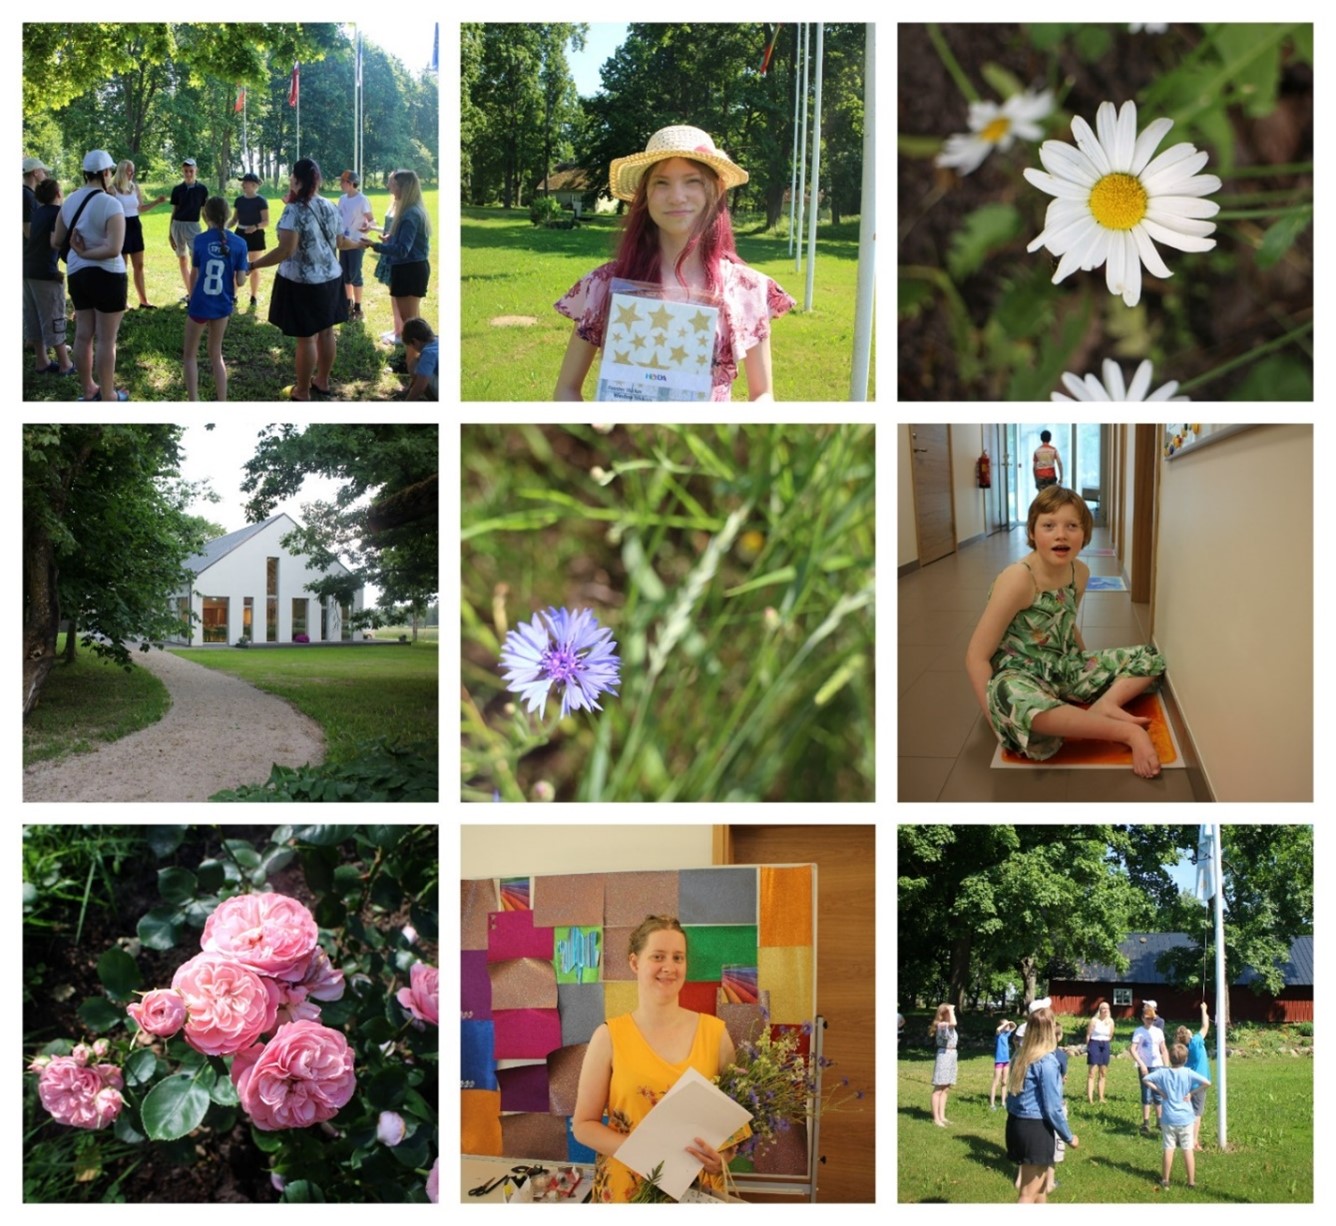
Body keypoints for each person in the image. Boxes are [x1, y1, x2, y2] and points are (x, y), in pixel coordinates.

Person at [554, 125, 794, 401]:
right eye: (661, 182)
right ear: (645, 194)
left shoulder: (747, 289)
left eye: (692, 181)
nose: (677, 196)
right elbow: (567, 390)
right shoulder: (603, 285)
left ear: (714, 190)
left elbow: (763, 394)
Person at [964, 486, 1167, 778]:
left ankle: (1105, 705)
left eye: (1072, 526)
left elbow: (1066, 621)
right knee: (1020, 702)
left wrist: (1086, 665)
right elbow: (975, 657)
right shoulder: (1019, 578)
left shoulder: (1080, 572)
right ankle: (1127, 733)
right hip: (1020, 674)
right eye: (1049, 526)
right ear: (1033, 533)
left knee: (1149, 657)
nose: (1061, 534)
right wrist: (995, 717)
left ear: (1084, 534)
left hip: (1064, 666)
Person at [572, 916, 746, 1202]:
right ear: (634, 963)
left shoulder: (716, 1034)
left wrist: (722, 1158)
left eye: (678, 957)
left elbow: (730, 1128)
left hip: (695, 1191)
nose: (669, 967)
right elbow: (583, 1125)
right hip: (626, 1192)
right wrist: (647, 1155)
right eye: (658, 956)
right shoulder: (608, 1037)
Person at [248, 158, 360, 401]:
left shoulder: (294, 210)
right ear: (317, 181)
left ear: (297, 180)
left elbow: (286, 250)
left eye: (291, 177)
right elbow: (341, 243)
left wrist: (253, 265)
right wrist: (361, 243)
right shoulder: (330, 206)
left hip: (303, 284)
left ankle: (302, 390)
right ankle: (322, 380)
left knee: (306, 338)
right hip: (331, 279)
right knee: (327, 333)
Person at [52, 149, 129, 401]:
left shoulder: (70, 201)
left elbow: (57, 240)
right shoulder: (111, 203)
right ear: (106, 173)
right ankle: (108, 396)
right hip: (108, 275)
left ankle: (88, 390)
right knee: (107, 339)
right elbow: (114, 248)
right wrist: (87, 254)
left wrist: (80, 253)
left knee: (83, 334)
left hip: (77, 275)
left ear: (86, 174)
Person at [1005, 1010, 1078, 1204]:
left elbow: (1010, 1098)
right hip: (1035, 1129)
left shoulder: (1020, 1055)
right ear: (1049, 1030)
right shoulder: (1046, 1061)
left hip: (1017, 1124)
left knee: (1041, 1190)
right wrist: (1069, 1137)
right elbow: (1053, 1107)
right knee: (1028, 1194)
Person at [182, 196, 249, 400]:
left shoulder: (200, 240)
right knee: (216, 353)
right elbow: (241, 281)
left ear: (205, 215)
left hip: (200, 305)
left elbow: (194, 274)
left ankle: (193, 400)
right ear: (228, 215)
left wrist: (192, 299)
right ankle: (222, 400)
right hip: (222, 305)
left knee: (190, 356)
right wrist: (244, 270)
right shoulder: (239, 243)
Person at [361, 167, 430, 344]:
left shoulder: (410, 214)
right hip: (410, 268)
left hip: (409, 270)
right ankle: (421, 358)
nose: (389, 188)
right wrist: (390, 238)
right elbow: (407, 242)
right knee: (414, 322)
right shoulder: (411, 210)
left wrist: (374, 245)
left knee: (410, 325)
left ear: (403, 188)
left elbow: (402, 250)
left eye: (392, 185)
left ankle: (414, 362)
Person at [24, 177, 74, 376]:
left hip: (26, 269)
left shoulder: (38, 213)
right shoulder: (58, 214)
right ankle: (65, 364)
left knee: (34, 316)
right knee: (54, 316)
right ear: (58, 194)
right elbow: (56, 242)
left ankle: (42, 361)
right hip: (45, 273)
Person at [1142, 1043, 1210, 1188]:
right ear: (1185, 1060)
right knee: (1188, 1148)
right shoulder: (1188, 1072)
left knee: (1168, 1148)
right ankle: (1191, 1182)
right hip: (1186, 1119)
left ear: (1170, 1058)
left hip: (1168, 1118)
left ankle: (1165, 1180)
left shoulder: (1163, 1072)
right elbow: (1207, 1083)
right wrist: (1191, 1093)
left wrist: (1159, 1091)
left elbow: (1146, 1079)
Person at [111, 160, 168, 308]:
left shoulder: (135, 187)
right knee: (121, 266)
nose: (132, 173)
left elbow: (141, 208)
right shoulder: (112, 189)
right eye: (129, 171)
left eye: (133, 171)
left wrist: (157, 201)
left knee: (139, 265)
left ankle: (144, 300)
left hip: (135, 226)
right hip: (120, 226)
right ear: (122, 171)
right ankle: (121, 301)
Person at [168, 158, 209, 301]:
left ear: (195, 170)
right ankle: (190, 292)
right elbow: (175, 211)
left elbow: (204, 211)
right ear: (182, 171)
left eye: (191, 171)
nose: (188, 173)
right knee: (182, 258)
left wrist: (211, 227)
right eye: (186, 171)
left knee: (195, 259)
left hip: (193, 226)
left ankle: (196, 292)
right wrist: (170, 233)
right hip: (178, 225)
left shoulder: (202, 189)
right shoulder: (177, 190)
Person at [228, 173, 270, 308]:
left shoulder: (261, 201)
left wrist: (256, 227)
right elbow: (234, 219)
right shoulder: (239, 200)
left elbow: (266, 221)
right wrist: (223, 227)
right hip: (240, 233)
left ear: (254, 185)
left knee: (254, 266)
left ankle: (253, 296)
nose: (243, 185)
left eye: (245, 182)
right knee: (236, 266)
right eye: (242, 182)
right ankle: (233, 296)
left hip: (256, 235)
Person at [336, 170, 373, 318]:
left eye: (342, 182)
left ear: (351, 183)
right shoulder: (342, 198)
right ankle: (347, 303)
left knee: (355, 274)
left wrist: (368, 227)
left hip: (357, 241)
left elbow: (371, 219)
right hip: (343, 242)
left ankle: (358, 308)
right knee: (345, 274)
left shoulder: (362, 199)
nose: (340, 184)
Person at [1131, 1002, 1171, 1134]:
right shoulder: (1139, 1031)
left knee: (1158, 1094)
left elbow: (1163, 1049)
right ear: (1143, 1018)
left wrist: (1166, 1065)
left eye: (1152, 1019)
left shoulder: (1158, 1031)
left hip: (1158, 1065)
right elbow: (1133, 1049)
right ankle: (1146, 1122)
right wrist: (1141, 1064)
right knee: (1146, 1094)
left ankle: (1159, 1121)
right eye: (1148, 1019)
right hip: (1145, 1066)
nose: (1150, 1021)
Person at [1177, 1002, 1212, 1151]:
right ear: (1189, 1035)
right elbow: (1205, 1026)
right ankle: (1193, 1140)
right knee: (1197, 1113)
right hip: (1199, 1084)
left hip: (1186, 1082)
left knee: (1187, 1111)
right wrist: (1204, 1010)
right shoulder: (1196, 1042)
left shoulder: (1183, 1048)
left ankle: (1183, 1136)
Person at [928, 1003, 957, 1126]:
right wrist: (951, 1009)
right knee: (939, 1088)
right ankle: (936, 1119)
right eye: (949, 1012)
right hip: (944, 1056)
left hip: (951, 1055)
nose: (952, 1014)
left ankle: (942, 1116)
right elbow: (954, 1023)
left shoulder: (948, 1026)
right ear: (943, 1013)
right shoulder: (942, 1025)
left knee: (946, 1088)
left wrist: (951, 1011)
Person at [401, 317, 438, 400]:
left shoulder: (428, 353)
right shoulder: (437, 340)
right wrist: (410, 388)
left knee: (413, 365)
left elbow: (420, 387)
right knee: (418, 360)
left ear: (415, 342)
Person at [1085, 1000, 1115, 1103]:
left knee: (1103, 1072)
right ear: (1100, 1010)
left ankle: (1101, 1097)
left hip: (1105, 1044)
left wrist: (1105, 1043)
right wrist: (1088, 1047)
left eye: (1107, 1008)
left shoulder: (1110, 1021)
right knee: (1092, 1072)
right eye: (1103, 1008)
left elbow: (1111, 1035)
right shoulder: (1094, 1020)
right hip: (1094, 1044)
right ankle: (1090, 1098)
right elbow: (1088, 1034)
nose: (1105, 1010)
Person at [990, 1019, 1017, 1110]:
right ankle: (992, 1104)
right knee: (996, 1082)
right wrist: (1004, 1024)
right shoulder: (999, 1035)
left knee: (1004, 1082)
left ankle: (1003, 1102)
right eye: (1006, 1025)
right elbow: (998, 1029)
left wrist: (1009, 1022)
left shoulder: (1006, 1034)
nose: (1008, 1026)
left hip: (1006, 1061)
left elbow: (1014, 1026)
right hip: (999, 1061)